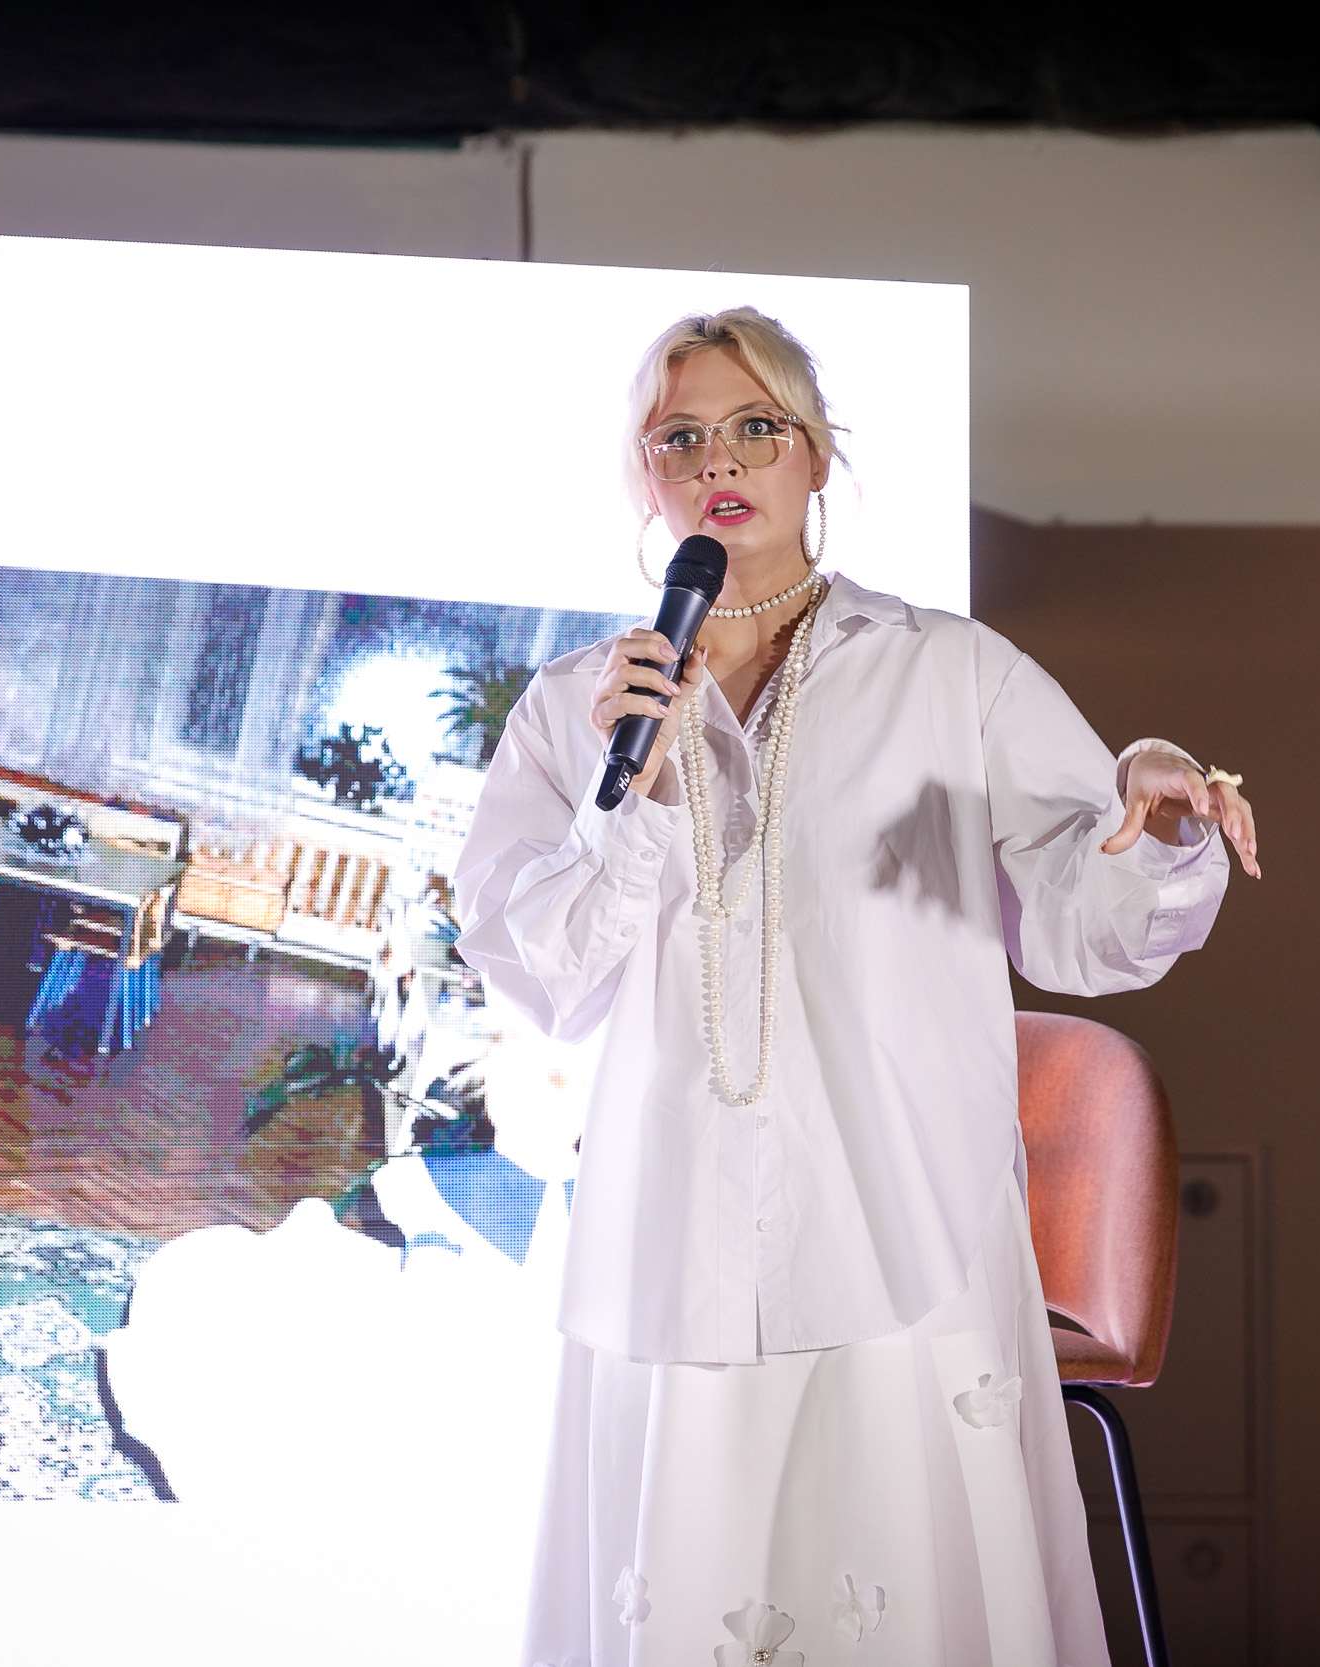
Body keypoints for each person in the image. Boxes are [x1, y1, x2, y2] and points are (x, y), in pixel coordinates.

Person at [452, 306, 1261, 1667]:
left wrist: (1156, 824)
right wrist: (632, 798)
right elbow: (545, 979)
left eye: (754, 426)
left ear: (816, 455)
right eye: (679, 437)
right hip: (674, 1233)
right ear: (646, 475)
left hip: (899, 1217)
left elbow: (1086, 925)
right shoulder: (580, 704)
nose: (719, 459)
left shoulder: (948, 670)